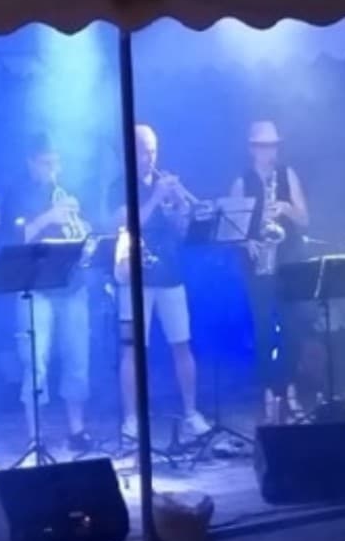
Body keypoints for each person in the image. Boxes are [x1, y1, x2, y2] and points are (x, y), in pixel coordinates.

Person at [109, 125, 211, 442]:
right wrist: (156, 197)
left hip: (170, 274)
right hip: (134, 275)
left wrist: (181, 206)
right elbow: (127, 222)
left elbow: (181, 231)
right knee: (132, 349)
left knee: (182, 344)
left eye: (153, 151)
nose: (150, 157)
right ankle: (131, 419)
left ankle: (191, 413)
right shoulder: (119, 185)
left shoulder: (163, 184)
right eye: (144, 151)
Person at [1, 133, 95, 453]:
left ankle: (76, 429)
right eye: (45, 163)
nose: (53, 170)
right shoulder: (17, 193)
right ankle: (35, 434)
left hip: (72, 285)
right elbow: (16, 239)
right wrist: (48, 218)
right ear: (31, 162)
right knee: (35, 361)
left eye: (56, 163)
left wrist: (85, 235)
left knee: (77, 359)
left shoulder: (69, 190)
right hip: (35, 289)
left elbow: (86, 232)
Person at [227, 121, 311, 423]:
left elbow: (305, 220)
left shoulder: (287, 174)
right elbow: (231, 229)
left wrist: (287, 209)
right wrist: (247, 241)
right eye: (264, 146)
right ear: (252, 149)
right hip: (258, 265)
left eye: (274, 146)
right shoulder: (242, 181)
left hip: (288, 261)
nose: (270, 152)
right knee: (263, 332)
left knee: (293, 330)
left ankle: (287, 388)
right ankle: (267, 393)